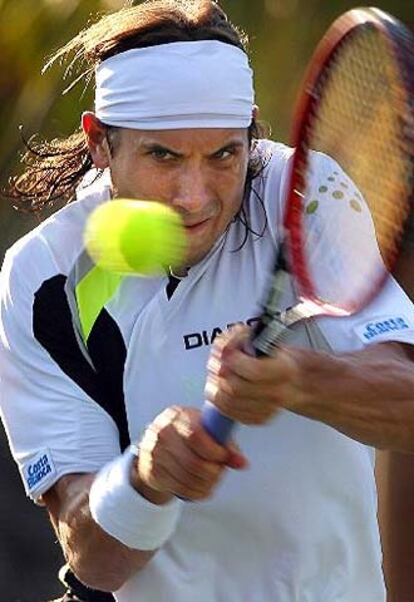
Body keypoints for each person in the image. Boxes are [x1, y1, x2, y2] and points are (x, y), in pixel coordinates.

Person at [2, 1, 414, 601]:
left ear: (250, 130)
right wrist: (145, 480)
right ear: (99, 143)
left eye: (224, 154)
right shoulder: (41, 276)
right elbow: (91, 559)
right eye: (163, 156)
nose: (194, 198)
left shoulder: (303, 191)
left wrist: (299, 379)